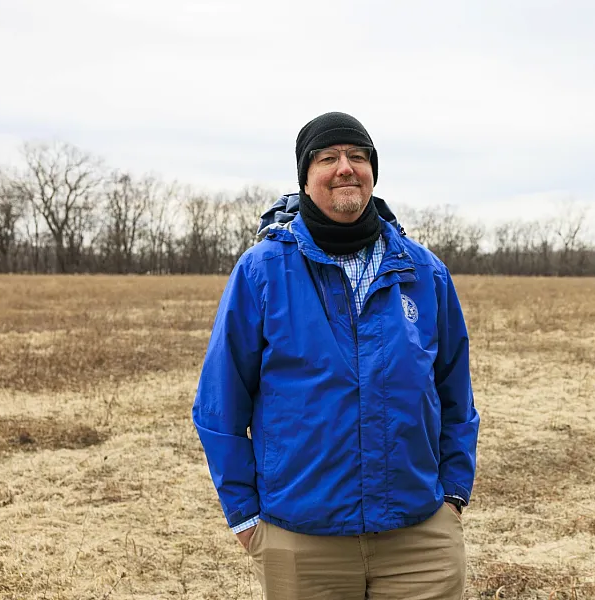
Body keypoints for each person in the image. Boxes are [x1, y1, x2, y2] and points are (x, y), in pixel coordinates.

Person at [192, 111, 480, 599]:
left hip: (419, 539)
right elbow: (219, 403)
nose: (346, 167)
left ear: (372, 173)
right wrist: (245, 516)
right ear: (306, 179)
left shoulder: (424, 272)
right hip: (303, 538)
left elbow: (456, 395)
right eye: (328, 158)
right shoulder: (262, 272)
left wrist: (453, 493)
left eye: (358, 157)